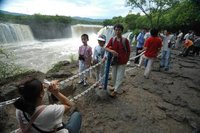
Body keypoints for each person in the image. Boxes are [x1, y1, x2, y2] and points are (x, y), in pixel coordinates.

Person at [14, 78, 82, 133]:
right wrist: (55, 92)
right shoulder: (50, 111)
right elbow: (69, 105)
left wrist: (39, 87)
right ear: (41, 94)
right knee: (76, 115)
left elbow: (22, 128)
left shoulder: (19, 108)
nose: (44, 88)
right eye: (43, 88)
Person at [105, 24, 130, 97]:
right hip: (115, 60)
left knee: (120, 76)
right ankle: (115, 87)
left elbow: (128, 51)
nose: (117, 31)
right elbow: (106, 48)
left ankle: (115, 91)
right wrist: (111, 51)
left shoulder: (125, 40)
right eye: (116, 30)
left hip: (122, 61)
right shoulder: (112, 39)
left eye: (119, 30)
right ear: (114, 30)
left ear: (122, 31)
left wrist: (126, 59)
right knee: (114, 75)